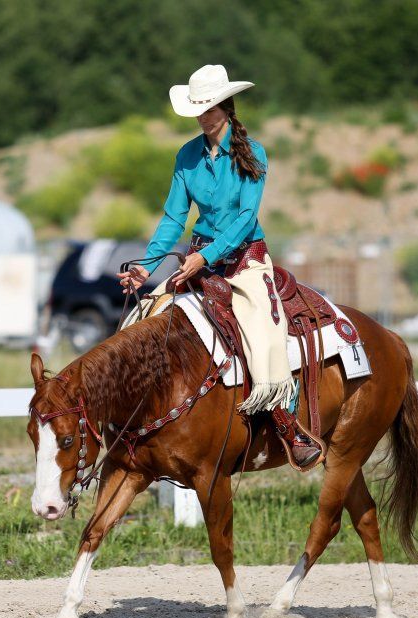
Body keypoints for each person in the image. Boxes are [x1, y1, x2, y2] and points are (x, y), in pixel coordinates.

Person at [116, 64, 322, 466]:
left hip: (246, 261)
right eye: (197, 107)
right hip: (198, 261)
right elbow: (174, 218)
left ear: (226, 106)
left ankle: (286, 425)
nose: (201, 114)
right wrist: (147, 265)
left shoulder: (253, 153)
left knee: (262, 330)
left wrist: (204, 257)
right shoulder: (187, 155)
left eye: (208, 106)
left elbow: (246, 218)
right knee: (143, 315)